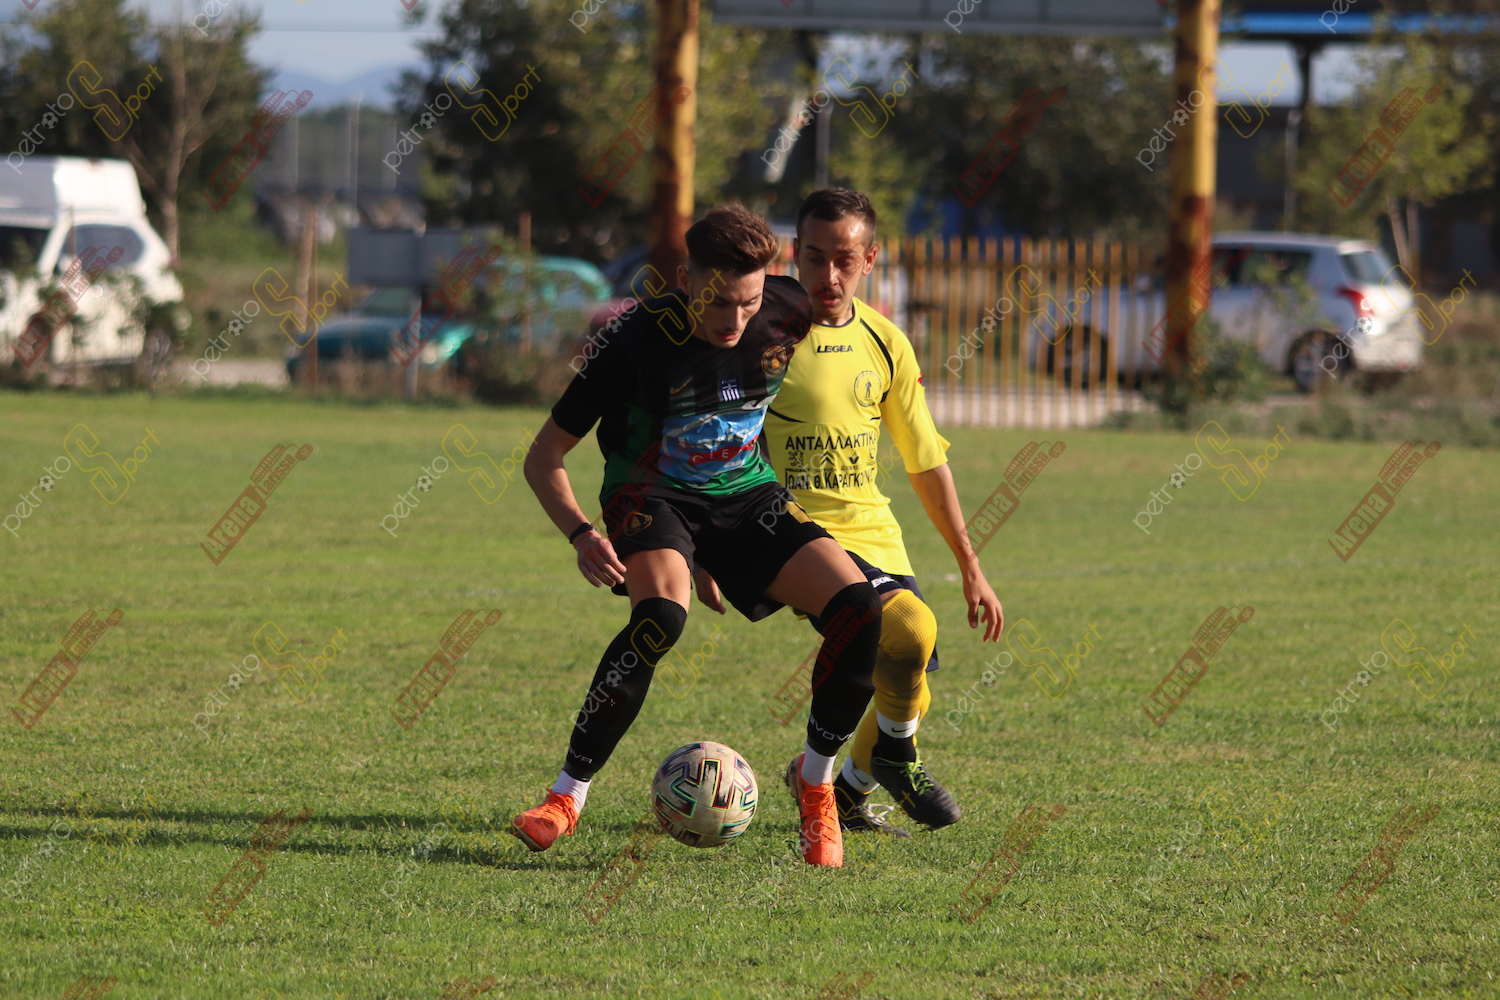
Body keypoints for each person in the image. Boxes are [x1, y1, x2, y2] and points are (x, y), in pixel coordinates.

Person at [514, 204, 884, 867]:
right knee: (659, 618)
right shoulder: (632, 339)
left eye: (748, 302)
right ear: (686, 279)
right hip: (651, 496)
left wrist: (714, 553)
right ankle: (565, 799)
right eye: (718, 302)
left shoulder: (790, 308)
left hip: (748, 496)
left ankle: (816, 786)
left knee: (859, 609)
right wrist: (581, 535)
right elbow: (543, 457)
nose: (734, 320)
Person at [760, 188, 1005, 836]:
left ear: (870, 259)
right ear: (794, 254)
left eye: (844, 259)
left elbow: (925, 461)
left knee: (909, 675)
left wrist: (971, 566)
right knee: (910, 631)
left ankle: (847, 791)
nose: (828, 276)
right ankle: (888, 761)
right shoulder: (761, 337)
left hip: (874, 533)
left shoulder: (886, 341)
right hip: (797, 533)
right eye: (814, 257)